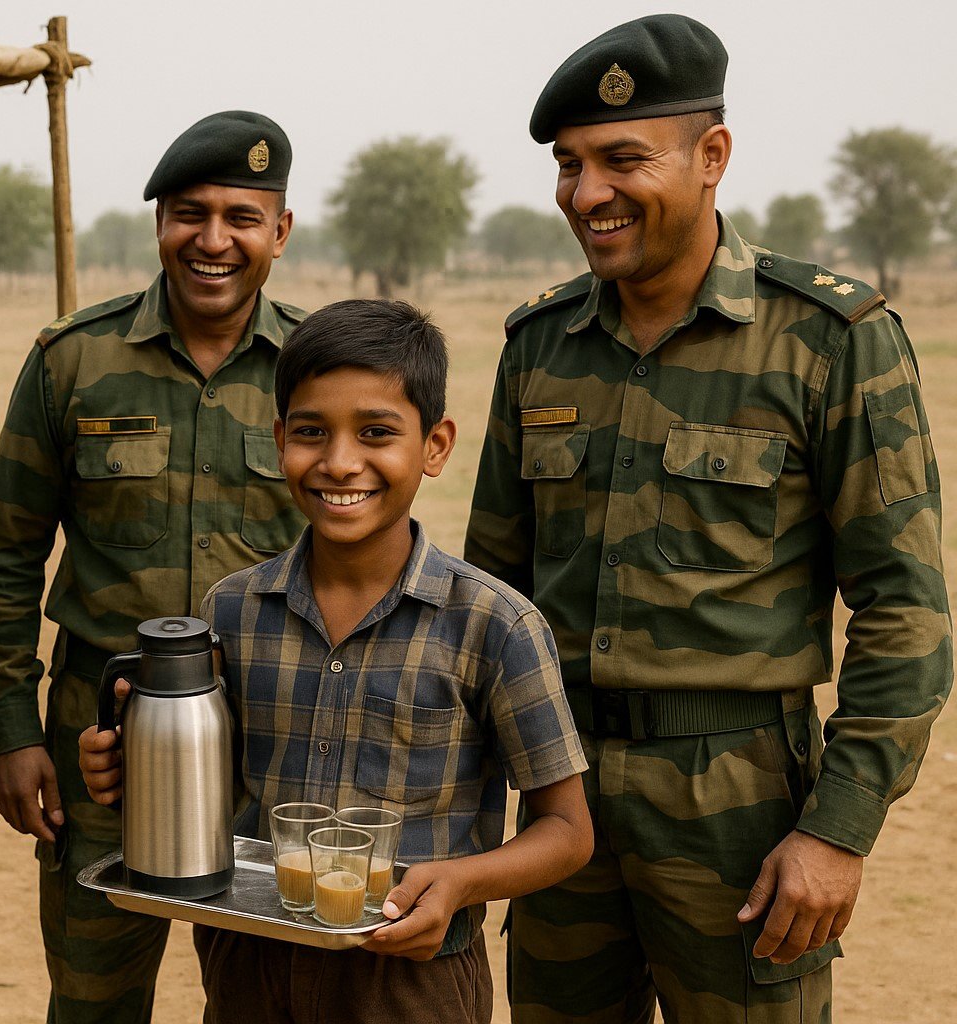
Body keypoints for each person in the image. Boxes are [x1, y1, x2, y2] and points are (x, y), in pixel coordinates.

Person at [464, 13, 952, 1023]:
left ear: (712, 156)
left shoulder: (830, 339)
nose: (586, 194)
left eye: (622, 159)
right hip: (562, 803)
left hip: (742, 810)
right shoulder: (540, 344)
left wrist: (838, 828)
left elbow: (905, 609)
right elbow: (490, 593)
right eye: (568, 165)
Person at [81, 299, 594, 1023]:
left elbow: (568, 833)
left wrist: (460, 883)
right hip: (250, 965)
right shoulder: (232, 610)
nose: (340, 462)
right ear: (279, 440)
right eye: (311, 432)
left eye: (376, 433)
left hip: (412, 979)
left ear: (436, 446)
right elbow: (210, 787)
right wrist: (131, 767)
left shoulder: (494, 625)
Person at [0, 110, 307, 1023]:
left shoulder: (319, 364)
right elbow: (5, 556)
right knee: (94, 995)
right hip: (105, 742)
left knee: (267, 996)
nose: (213, 241)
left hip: (273, 741)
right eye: (189, 214)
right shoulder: (75, 360)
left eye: (242, 218)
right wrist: (13, 731)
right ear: (159, 221)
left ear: (281, 231)